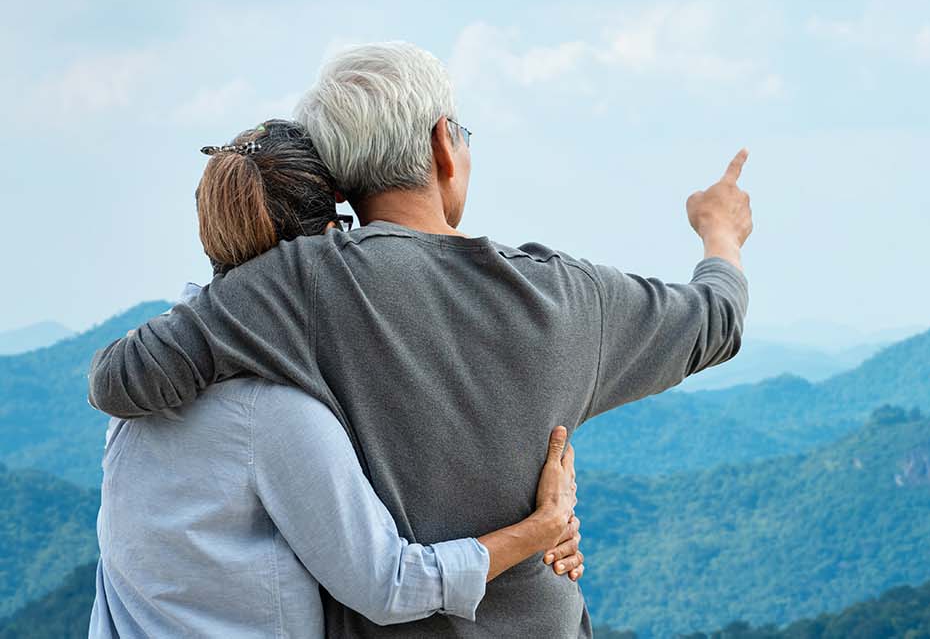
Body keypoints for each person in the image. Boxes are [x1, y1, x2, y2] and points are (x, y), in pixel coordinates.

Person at [88, 42, 752, 637]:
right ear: (443, 144)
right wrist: (719, 231)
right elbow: (716, 322)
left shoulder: (292, 286)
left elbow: (125, 378)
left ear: (343, 178)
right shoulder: (570, 296)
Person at [89, 120, 587, 638]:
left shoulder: (151, 376)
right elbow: (391, 585)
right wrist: (539, 528)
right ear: (325, 243)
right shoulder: (272, 411)